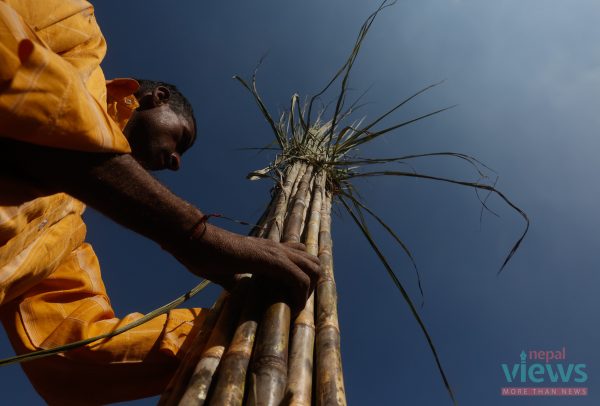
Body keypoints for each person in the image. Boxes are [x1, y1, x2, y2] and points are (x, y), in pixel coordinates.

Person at [0, 1, 321, 404]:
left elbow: (71, 354)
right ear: (157, 97)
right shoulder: (74, 28)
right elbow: (16, 74)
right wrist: (195, 236)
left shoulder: (63, 236)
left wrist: (227, 326)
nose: (175, 161)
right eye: (180, 139)